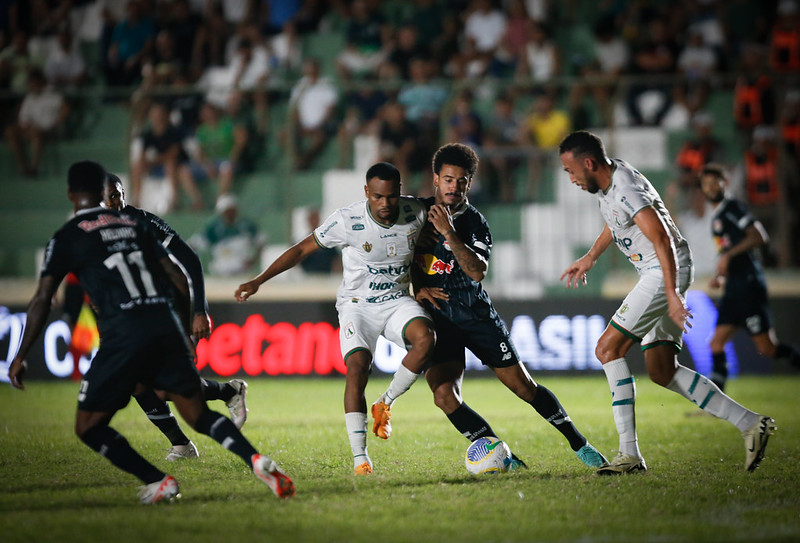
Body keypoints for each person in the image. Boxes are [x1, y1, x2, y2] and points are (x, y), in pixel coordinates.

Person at [8, 161, 294, 503]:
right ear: (101, 191)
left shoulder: (69, 236)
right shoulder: (133, 225)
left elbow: (43, 297)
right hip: (164, 323)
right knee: (193, 412)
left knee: (89, 425)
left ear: (70, 194)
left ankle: (157, 480)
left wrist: (21, 354)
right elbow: (176, 274)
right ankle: (255, 459)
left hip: (122, 333)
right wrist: (185, 326)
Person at [374, 143, 607, 471]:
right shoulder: (415, 214)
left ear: (470, 183)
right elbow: (395, 244)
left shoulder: (475, 223)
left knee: (524, 387)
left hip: (475, 317)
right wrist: (418, 285)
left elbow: (477, 271)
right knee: (443, 396)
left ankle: (579, 443)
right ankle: (503, 458)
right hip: (438, 322)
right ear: (435, 179)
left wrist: (449, 234)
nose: (454, 187)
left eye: (462, 181)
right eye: (448, 179)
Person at [558, 130, 776, 474]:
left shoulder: (626, 187)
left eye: (570, 171)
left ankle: (629, 455)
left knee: (607, 350)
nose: (570, 178)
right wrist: (590, 257)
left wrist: (672, 294)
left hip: (662, 271)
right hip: (660, 271)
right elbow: (615, 222)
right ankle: (750, 423)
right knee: (662, 371)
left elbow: (661, 238)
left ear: (588, 163)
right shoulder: (610, 182)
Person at [235, 162, 435, 475]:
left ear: (400, 192)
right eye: (378, 197)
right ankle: (361, 460)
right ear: (367, 192)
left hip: (397, 301)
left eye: (391, 197)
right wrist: (259, 280)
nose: (385, 204)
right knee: (357, 368)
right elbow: (302, 250)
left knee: (426, 339)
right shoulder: (347, 220)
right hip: (357, 305)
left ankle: (386, 402)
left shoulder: (417, 212)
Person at [102, 174, 249, 460]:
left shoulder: (143, 221)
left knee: (163, 385)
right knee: (143, 383)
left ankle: (223, 399)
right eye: (105, 197)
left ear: (123, 195)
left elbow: (190, 260)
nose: (112, 203)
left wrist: (199, 311)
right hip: (138, 314)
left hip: (172, 306)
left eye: (116, 195)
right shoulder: (96, 231)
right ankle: (188, 436)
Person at [699, 164, 800, 391]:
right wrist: (721, 276)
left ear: (726, 183)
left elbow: (759, 236)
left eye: (716, 182)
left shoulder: (733, 207)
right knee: (715, 343)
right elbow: (727, 253)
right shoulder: (717, 217)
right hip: (733, 287)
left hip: (749, 286)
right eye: (706, 184)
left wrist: (728, 255)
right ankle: (716, 404)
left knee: (767, 349)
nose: (711, 187)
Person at [191, 194, 264, 277]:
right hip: (222, 269)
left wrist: (254, 260)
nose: (230, 214)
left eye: (232, 210)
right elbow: (193, 245)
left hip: (244, 269)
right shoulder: (214, 228)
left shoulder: (247, 225)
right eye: (227, 211)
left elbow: (261, 242)